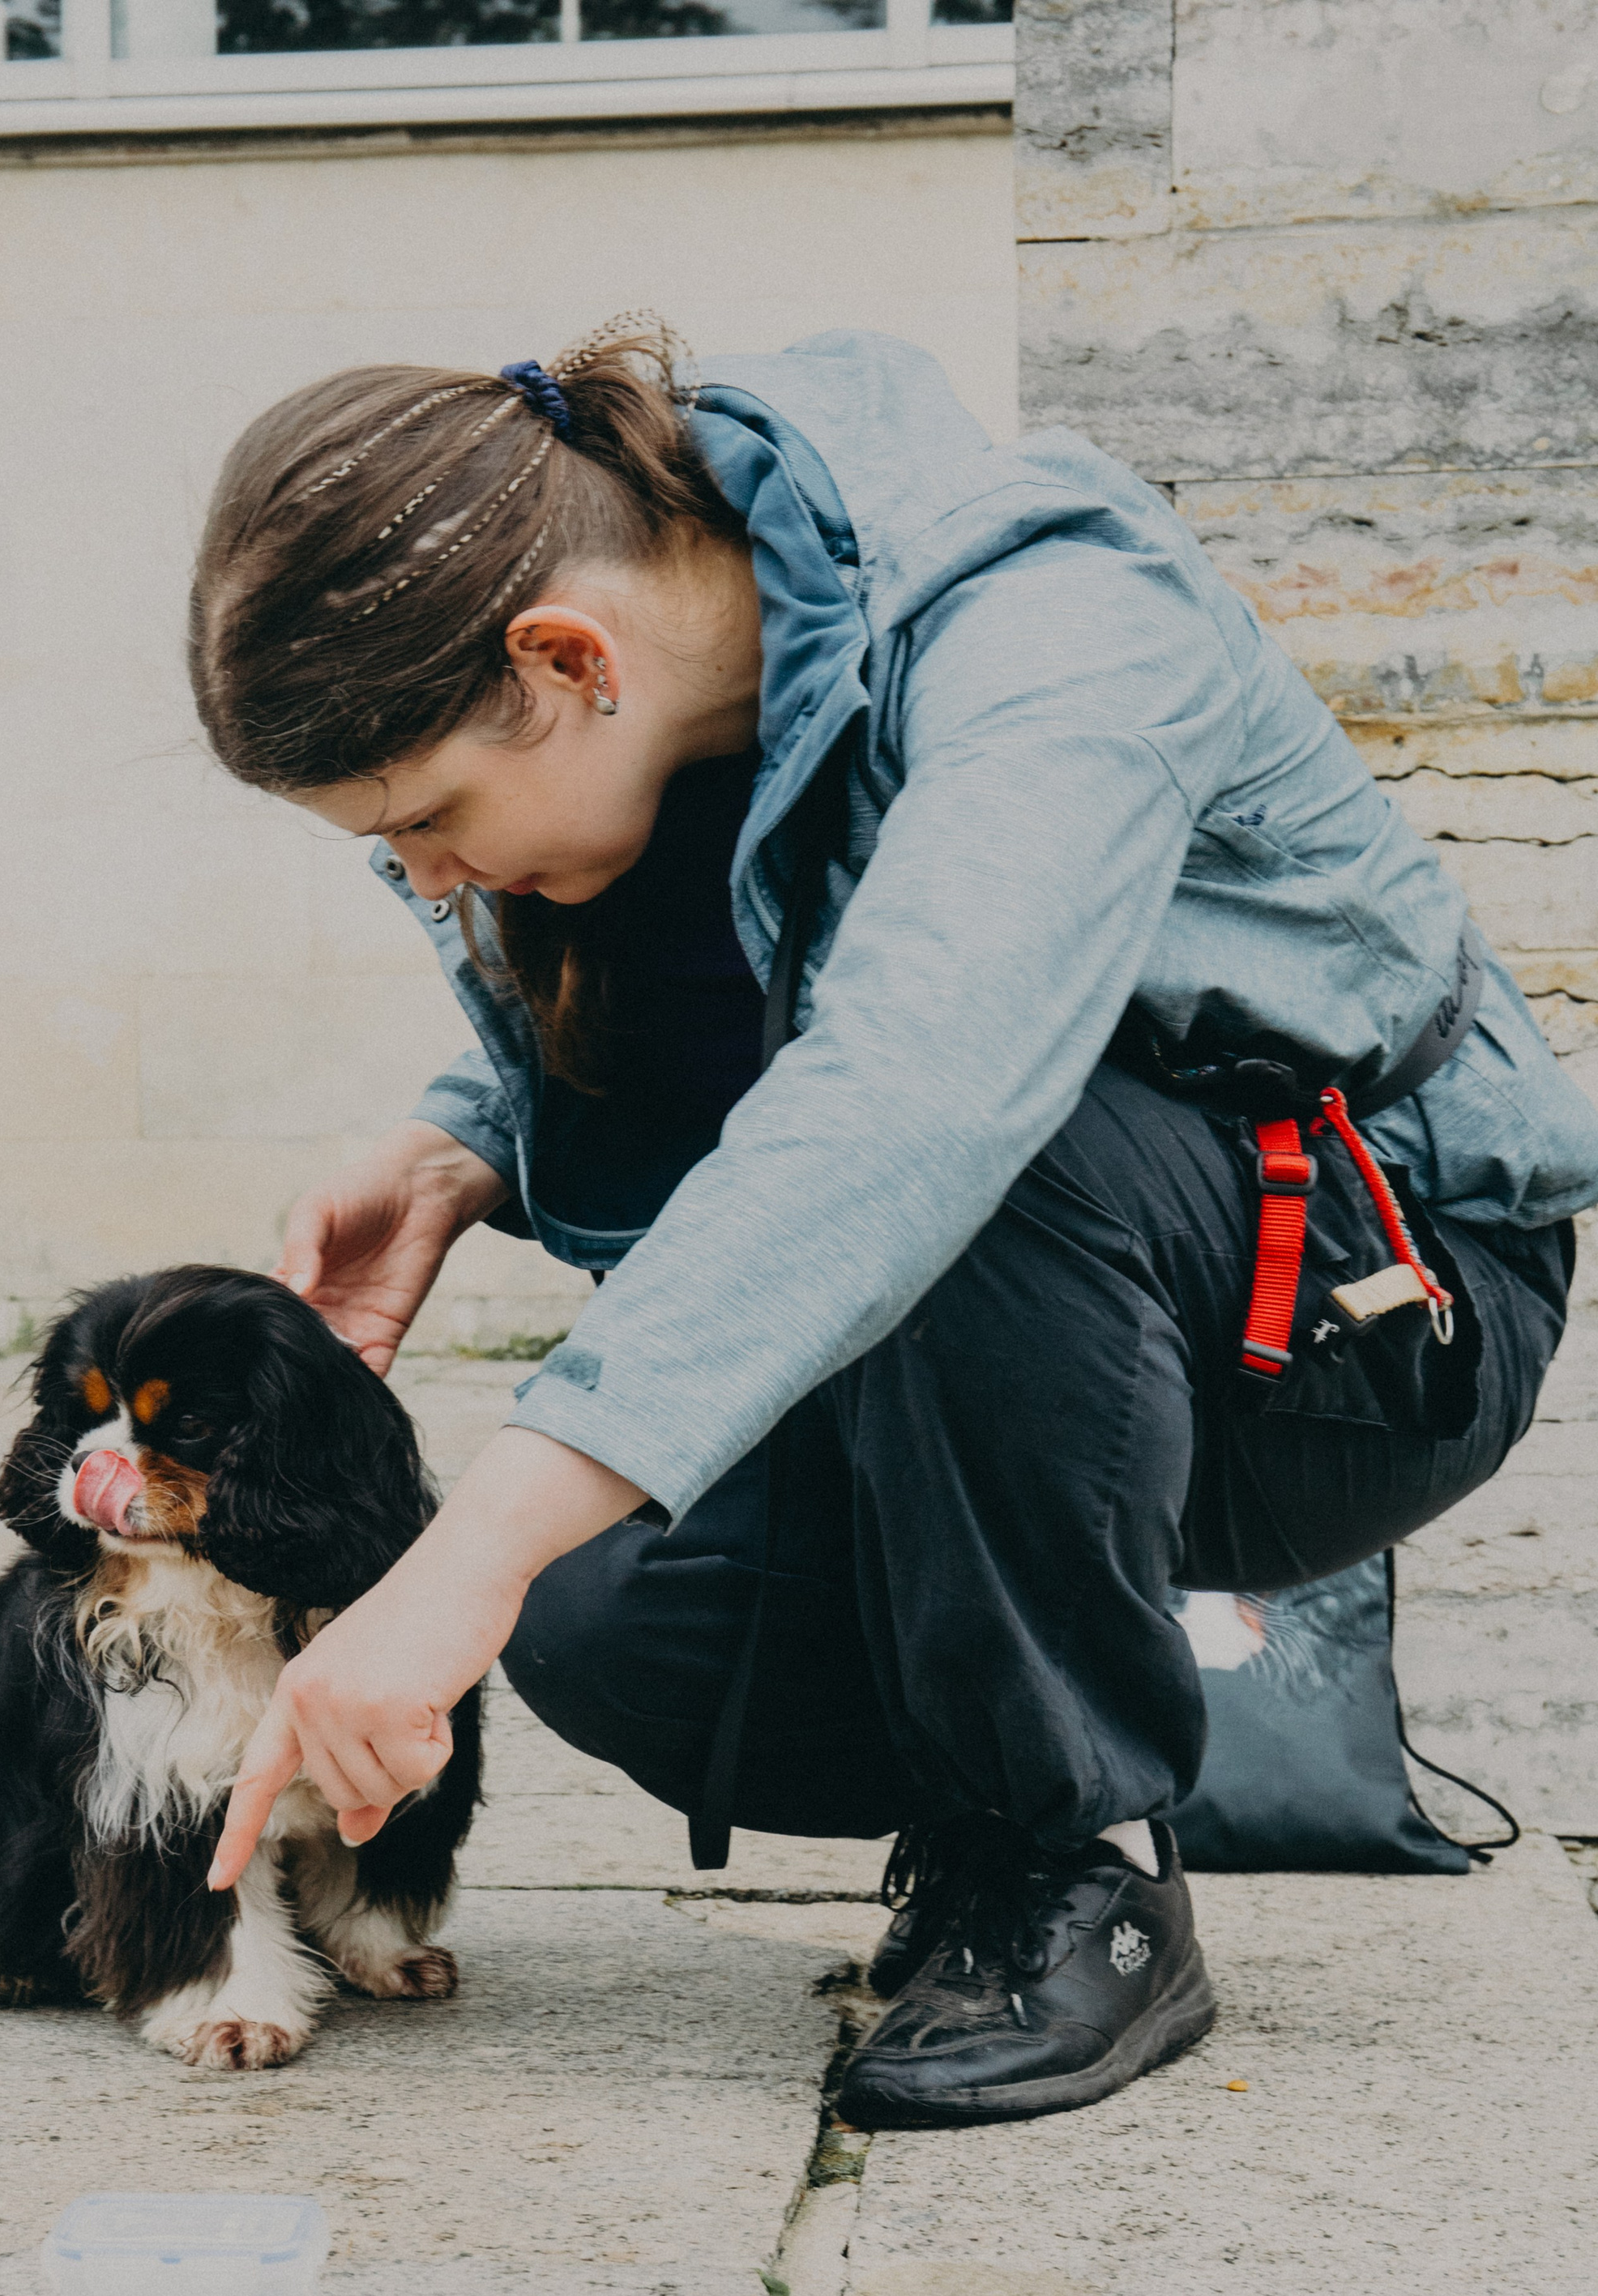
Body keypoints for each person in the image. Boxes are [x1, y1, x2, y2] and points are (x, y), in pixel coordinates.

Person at [184, 321, 1597, 2128]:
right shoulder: (688, 675)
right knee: (609, 1619)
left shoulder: (1054, 617)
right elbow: (766, 934)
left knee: (973, 1164)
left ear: (565, 655)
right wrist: (460, 1144)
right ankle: (986, 1764)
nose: (438, 876)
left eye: (431, 818)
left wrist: (455, 1557)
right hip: (1044, 1310)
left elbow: (922, 1084)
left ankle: (1074, 1864)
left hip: (1363, 1311)